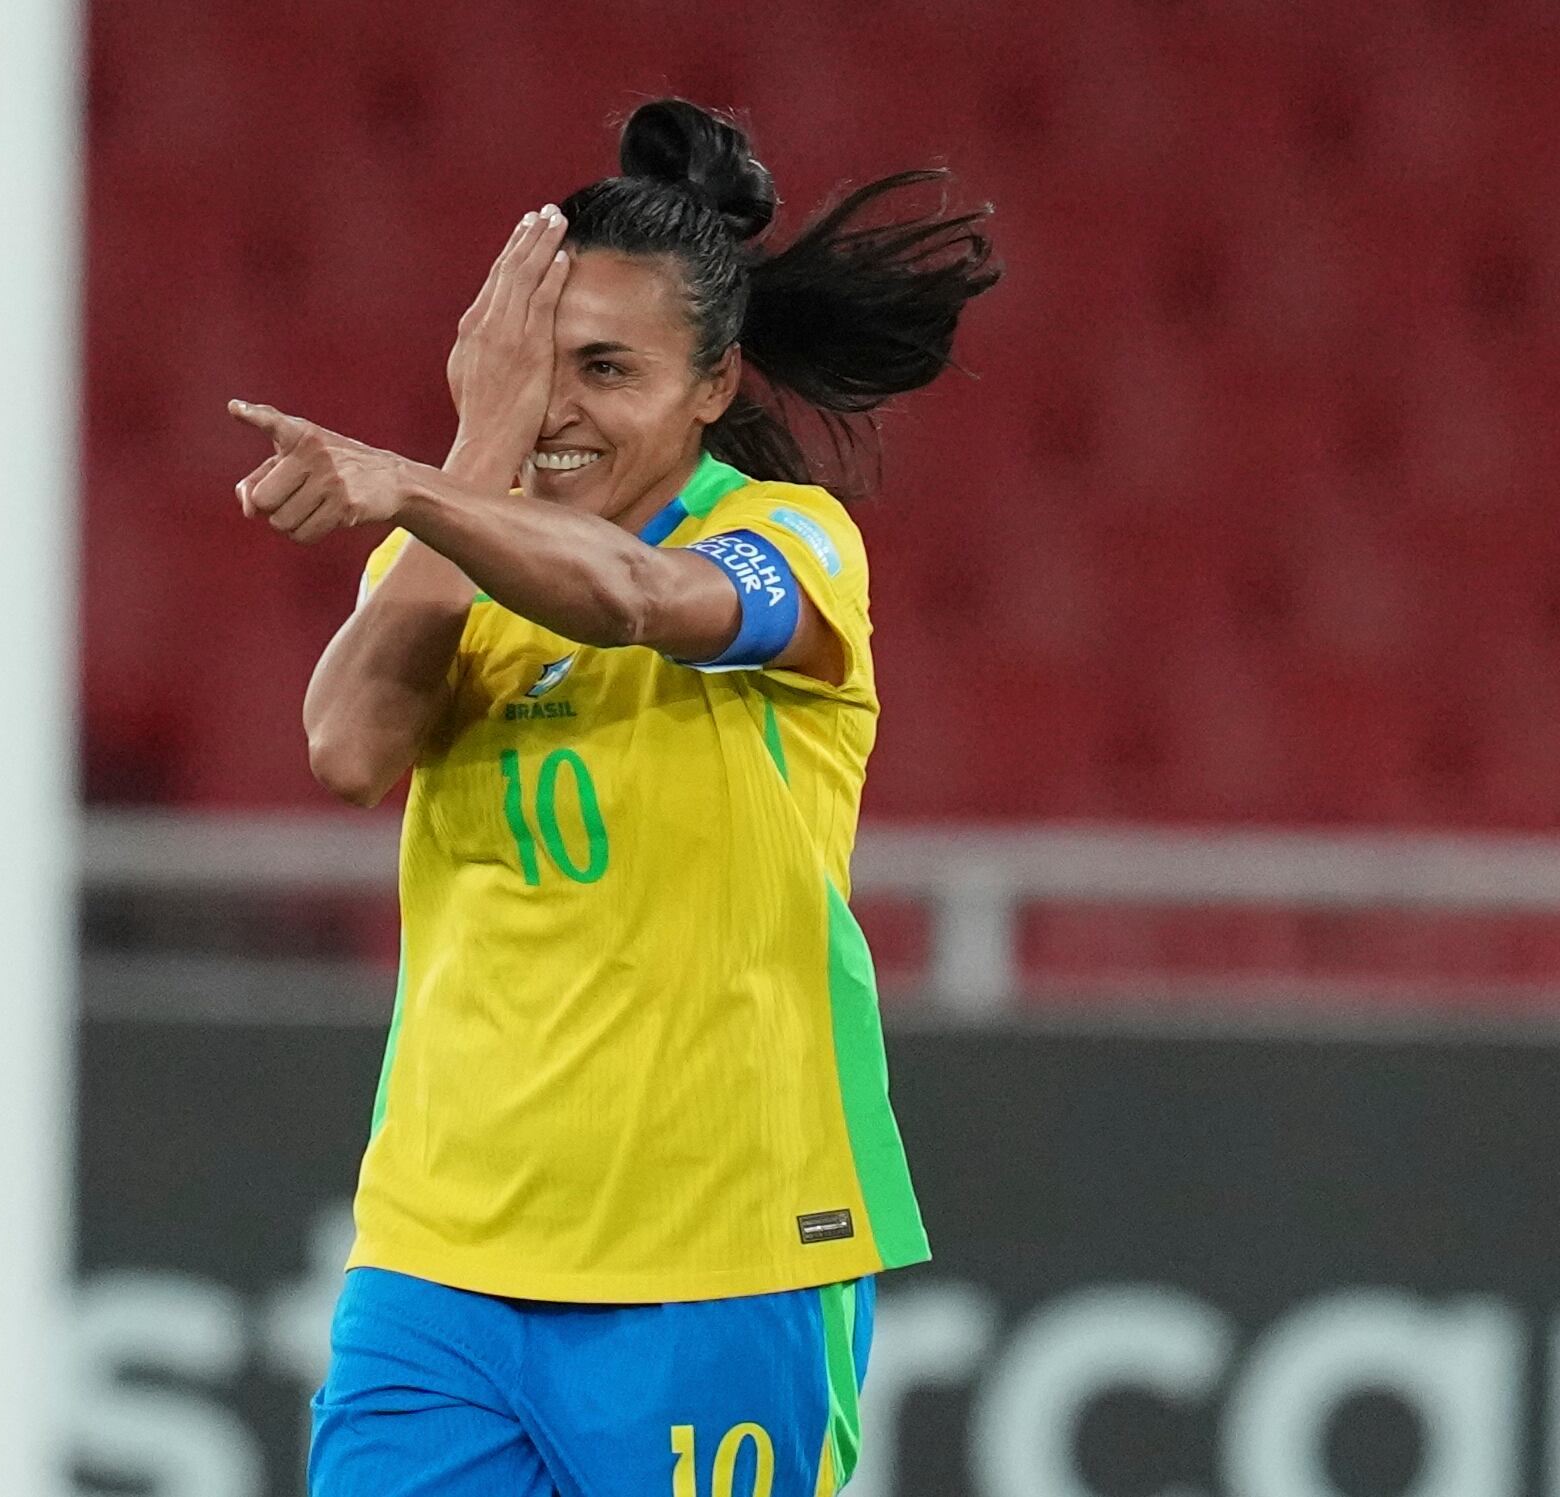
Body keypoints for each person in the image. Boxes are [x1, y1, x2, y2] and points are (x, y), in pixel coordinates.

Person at [229, 98, 999, 1497]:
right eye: (537, 367)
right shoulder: (448, 551)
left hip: (719, 1252)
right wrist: (464, 461)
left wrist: (414, 486)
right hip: (440, 1253)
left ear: (711, 386)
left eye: (606, 370)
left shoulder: (786, 542)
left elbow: (639, 596)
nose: (559, 412)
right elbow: (346, 750)